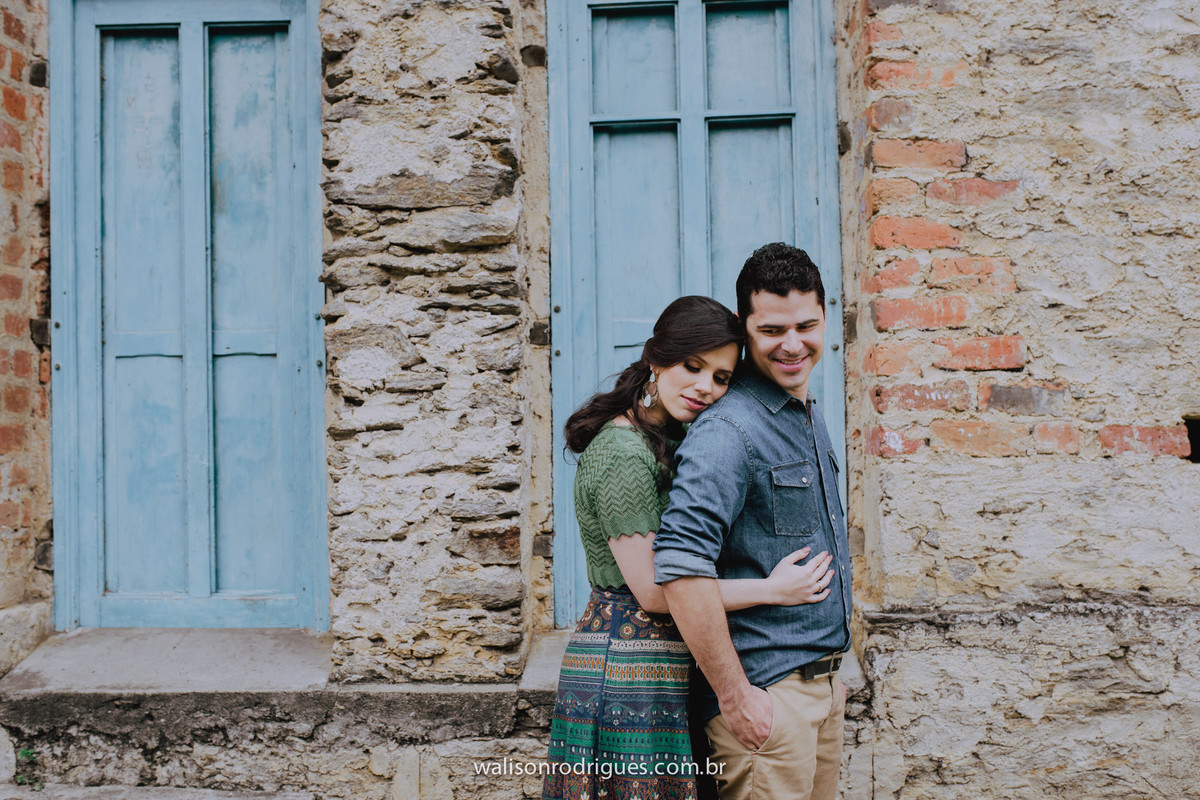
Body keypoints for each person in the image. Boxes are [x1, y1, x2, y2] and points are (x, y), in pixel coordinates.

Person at [543, 295, 836, 800]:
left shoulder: (674, 437)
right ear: (656, 360)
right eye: (692, 367)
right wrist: (771, 589)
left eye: (721, 378)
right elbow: (656, 595)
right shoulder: (620, 453)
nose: (705, 387)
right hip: (627, 667)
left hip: (668, 668)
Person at [653, 244, 852, 800]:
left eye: (806, 325)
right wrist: (738, 697)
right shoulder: (729, 429)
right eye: (771, 330)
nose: (793, 345)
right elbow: (680, 567)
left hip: (820, 688)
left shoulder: (804, 412)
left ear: (825, 317)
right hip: (767, 703)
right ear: (745, 328)